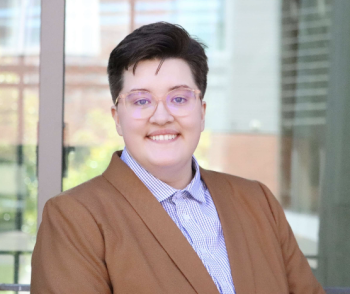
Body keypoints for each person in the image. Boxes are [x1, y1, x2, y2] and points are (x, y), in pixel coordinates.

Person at [31, 22, 325, 294]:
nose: (161, 116)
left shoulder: (257, 201)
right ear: (117, 119)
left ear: (202, 112)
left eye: (180, 98)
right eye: (141, 101)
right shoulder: (74, 217)